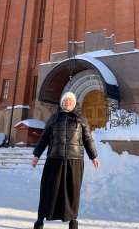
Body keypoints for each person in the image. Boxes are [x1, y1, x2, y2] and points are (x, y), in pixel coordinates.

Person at [31, 91, 100, 229]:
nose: (67, 103)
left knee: (72, 191)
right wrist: (36, 155)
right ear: (62, 103)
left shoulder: (81, 119)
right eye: (65, 101)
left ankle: (73, 221)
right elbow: (44, 138)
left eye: (70, 101)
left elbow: (87, 139)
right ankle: (40, 220)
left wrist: (93, 156)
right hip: (54, 160)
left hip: (74, 161)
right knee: (48, 190)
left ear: (74, 103)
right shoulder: (53, 119)